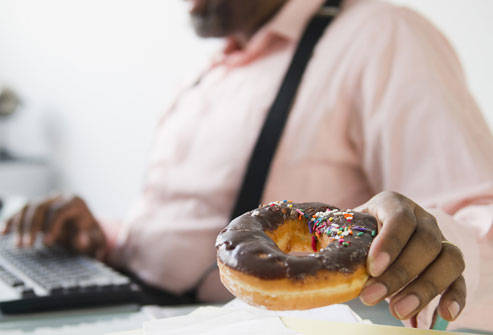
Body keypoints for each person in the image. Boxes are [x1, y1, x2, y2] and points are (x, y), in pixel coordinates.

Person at [3, 0, 493, 330]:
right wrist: (99, 238)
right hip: (117, 301)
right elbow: (180, 231)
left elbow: (479, 220)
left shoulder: (380, 36)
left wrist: (432, 244)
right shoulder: (210, 73)